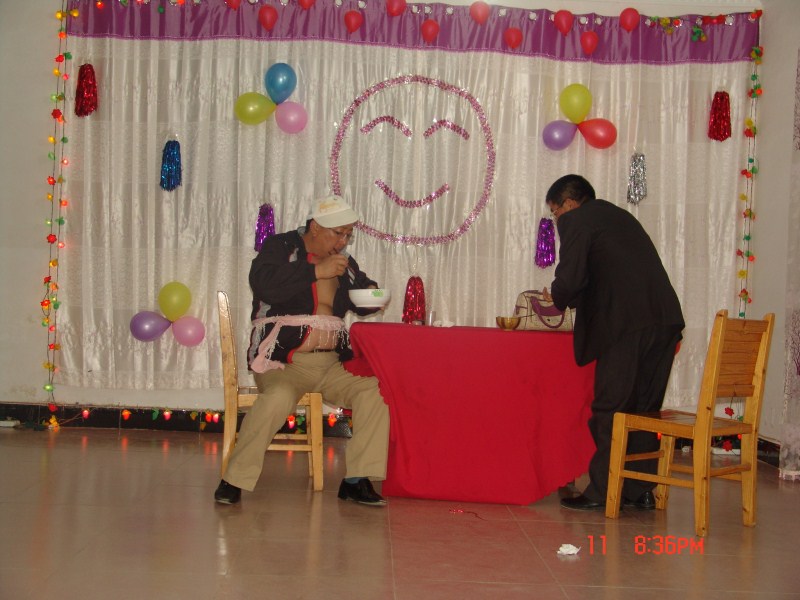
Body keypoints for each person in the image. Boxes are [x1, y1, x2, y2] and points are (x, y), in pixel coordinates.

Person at [214, 195, 390, 507]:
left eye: (348, 235)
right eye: (339, 233)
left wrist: (373, 295)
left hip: (331, 365)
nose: (343, 241)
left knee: (374, 392)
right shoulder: (281, 247)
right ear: (316, 227)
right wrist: (315, 271)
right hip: (286, 362)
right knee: (277, 398)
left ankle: (357, 479)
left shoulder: (344, 264)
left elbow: (361, 295)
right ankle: (234, 479)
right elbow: (263, 283)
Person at [542, 174, 684, 511]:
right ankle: (639, 489)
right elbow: (606, 275)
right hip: (664, 320)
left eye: (554, 212)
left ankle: (603, 492)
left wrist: (557, 298)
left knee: (611, 409)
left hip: (626, 324)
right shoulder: (618, 216)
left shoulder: (577, 219)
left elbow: (572, 277)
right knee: (644, 411)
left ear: (569, 204)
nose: (556, 220)